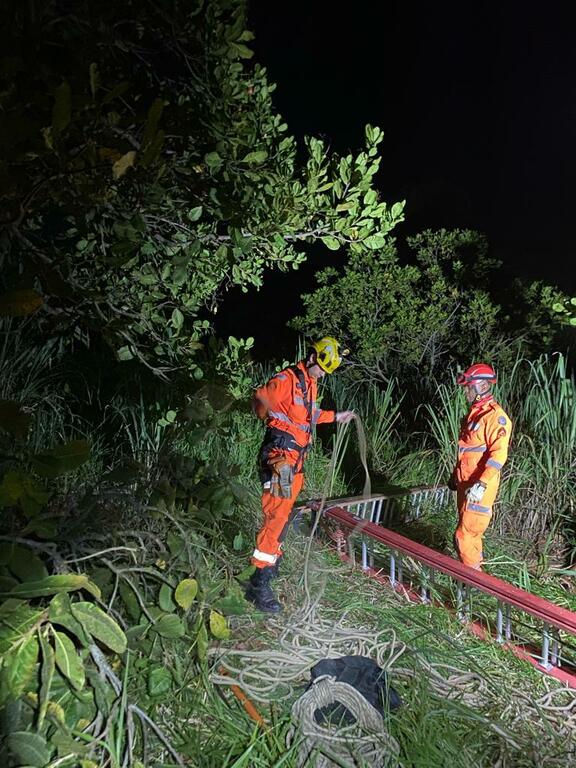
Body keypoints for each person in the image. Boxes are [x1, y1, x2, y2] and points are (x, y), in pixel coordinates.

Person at [246, 337, 355, 612]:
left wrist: (336, 416)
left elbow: (309, 415)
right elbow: (260, 399)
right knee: (277, 516)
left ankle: (270, 565)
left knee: (282, 517)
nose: (322, 373)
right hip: (279, 459)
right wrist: (268, 416)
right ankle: (259, 583)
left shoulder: (310, 383)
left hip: (295, 462)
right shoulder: (286, 379)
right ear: (311, 357)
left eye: (325, 371)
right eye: (320, 368)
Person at [448, 363, 512, 570]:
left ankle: (470, 587)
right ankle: (477, 577)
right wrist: (455, 476)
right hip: (466, 483)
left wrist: (482, 484)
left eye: (468, 387)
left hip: (479, 488)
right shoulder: (475, 414)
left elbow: (499, 454)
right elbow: (469, 450)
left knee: (464, 536)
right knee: (470, 536)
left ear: (482, 386)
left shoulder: (495, 416)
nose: (465, 391)